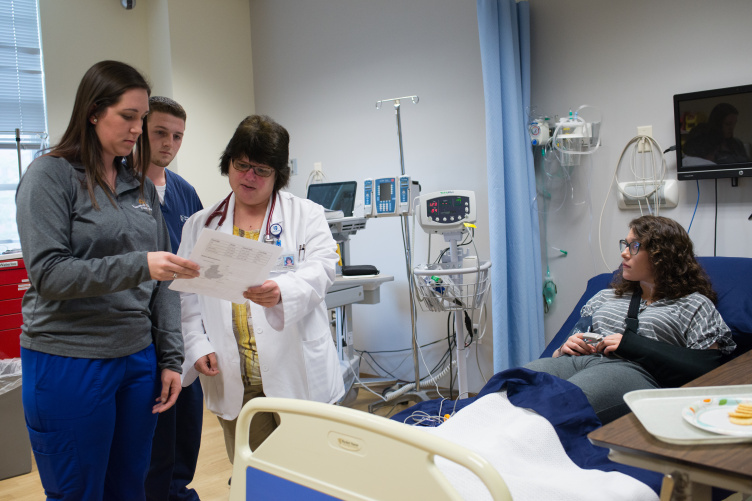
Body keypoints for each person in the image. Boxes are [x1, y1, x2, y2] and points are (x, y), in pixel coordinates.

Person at [15, 60, 200, 500]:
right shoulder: (50, 176)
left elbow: (164, 279)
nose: (138, 129)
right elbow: (49, 274)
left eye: (142, 118)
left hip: (136, 359)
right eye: (128, 116)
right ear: (94, 111)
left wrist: (171, 358)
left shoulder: (138, 187)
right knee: (79, 490)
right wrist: (142, 264)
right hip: (70, 358)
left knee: (129, 486)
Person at [177, 115, 345, 464]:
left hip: (295, 370)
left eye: (262, 170)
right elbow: (186, 294)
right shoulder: (201, 224)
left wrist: (283, 290)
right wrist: (197, 343)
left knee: (308, 474)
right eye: (242, 165)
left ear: (278, 175)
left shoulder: (307, 215)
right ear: (229, 163)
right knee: (254, 478)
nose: (249, 177)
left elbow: (324, 266)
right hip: (234, 371)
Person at [525, 215, 736, 424]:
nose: (624, 253)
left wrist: (631, 345)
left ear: (662, 255)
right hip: (574, 362)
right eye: (624, 245)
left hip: (631, 372)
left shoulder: (694, 304)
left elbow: (709, 369)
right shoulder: (604, 296)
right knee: (508, 389)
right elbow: (561, 350)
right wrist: (565, 348)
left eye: (634, 246)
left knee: (559, 406)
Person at [143, 97, 204, 501]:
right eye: (160, 133)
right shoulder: (123, 189)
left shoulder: (185, 192)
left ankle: (180, 493)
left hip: (187, 331)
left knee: (188, 429)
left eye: (177, 136)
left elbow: (203, 255)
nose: (169, 143)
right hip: (147, 336)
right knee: (155, 443)